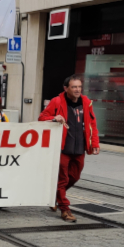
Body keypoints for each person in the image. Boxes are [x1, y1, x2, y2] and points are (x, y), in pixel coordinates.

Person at [39, 74, 100, 223]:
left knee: (74, 177)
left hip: (79, 148)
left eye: (79, 86)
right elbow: (41, 118)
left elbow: (92, 124)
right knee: (62, 179)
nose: (78, 90)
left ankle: (55, 197)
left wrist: (95, 144)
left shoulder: (86, 102)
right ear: (66, 88)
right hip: (62, 148)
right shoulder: (57, 101)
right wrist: (54, 118)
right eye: (74, 87)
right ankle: (65, 209)